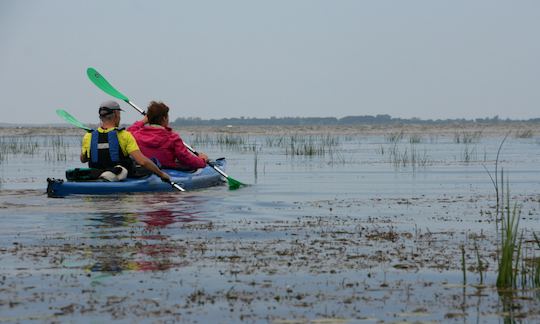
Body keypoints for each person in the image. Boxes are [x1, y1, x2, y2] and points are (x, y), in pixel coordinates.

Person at [80, 100, 170, 182]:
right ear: (116, 114)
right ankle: (109, 175)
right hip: (121, 175)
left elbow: (83, 159)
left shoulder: (89, 136)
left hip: (95, 174)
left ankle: (106, 176)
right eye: (119, 113)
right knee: (153, 162)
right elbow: (142, 161)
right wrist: (161, 174)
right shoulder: (124, 135)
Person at [127, 101, 209, 170]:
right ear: (164, 118)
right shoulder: (172, 138)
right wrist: (202, 160)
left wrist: (143, 121)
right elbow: (186, 159)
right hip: (167, 169)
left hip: (146, 170)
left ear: (148, 118)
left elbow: (129, 131)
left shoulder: (136, 134)